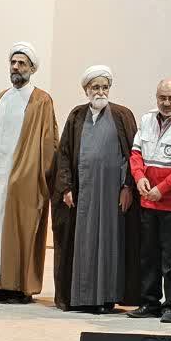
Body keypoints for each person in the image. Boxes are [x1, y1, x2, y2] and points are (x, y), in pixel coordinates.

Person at [0, 42, 57, 304]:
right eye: (13, 62)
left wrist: (39, 175)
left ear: (32, 68)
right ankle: (2, 284)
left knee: (22, 231)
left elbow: (48, 141)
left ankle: (21, 288)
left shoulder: (41, 100)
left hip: (25, 180)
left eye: (22, 63)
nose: (16, 67)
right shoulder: (1, 99)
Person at [52, 65, 140, 313]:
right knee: (83, 244)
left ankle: (106, 297)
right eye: (95, 87)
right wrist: (66, 187)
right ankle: (82, 297)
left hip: (112, 195)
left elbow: (133, 154)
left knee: (110, 245)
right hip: (83, 195)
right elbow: (64, 153)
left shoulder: (122, 115)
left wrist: (128, 186)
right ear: (86, 90)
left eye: (104, 87)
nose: (100, 92)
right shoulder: (77, 115)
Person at [127, 78, 171, 323]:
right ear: (156, 97)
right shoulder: (147, 119)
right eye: (162, 98)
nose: (167, 103)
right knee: (148, 256)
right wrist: (139, 178)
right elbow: (136, 154)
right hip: (148, 202)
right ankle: (149, 303)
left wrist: (162, 189)